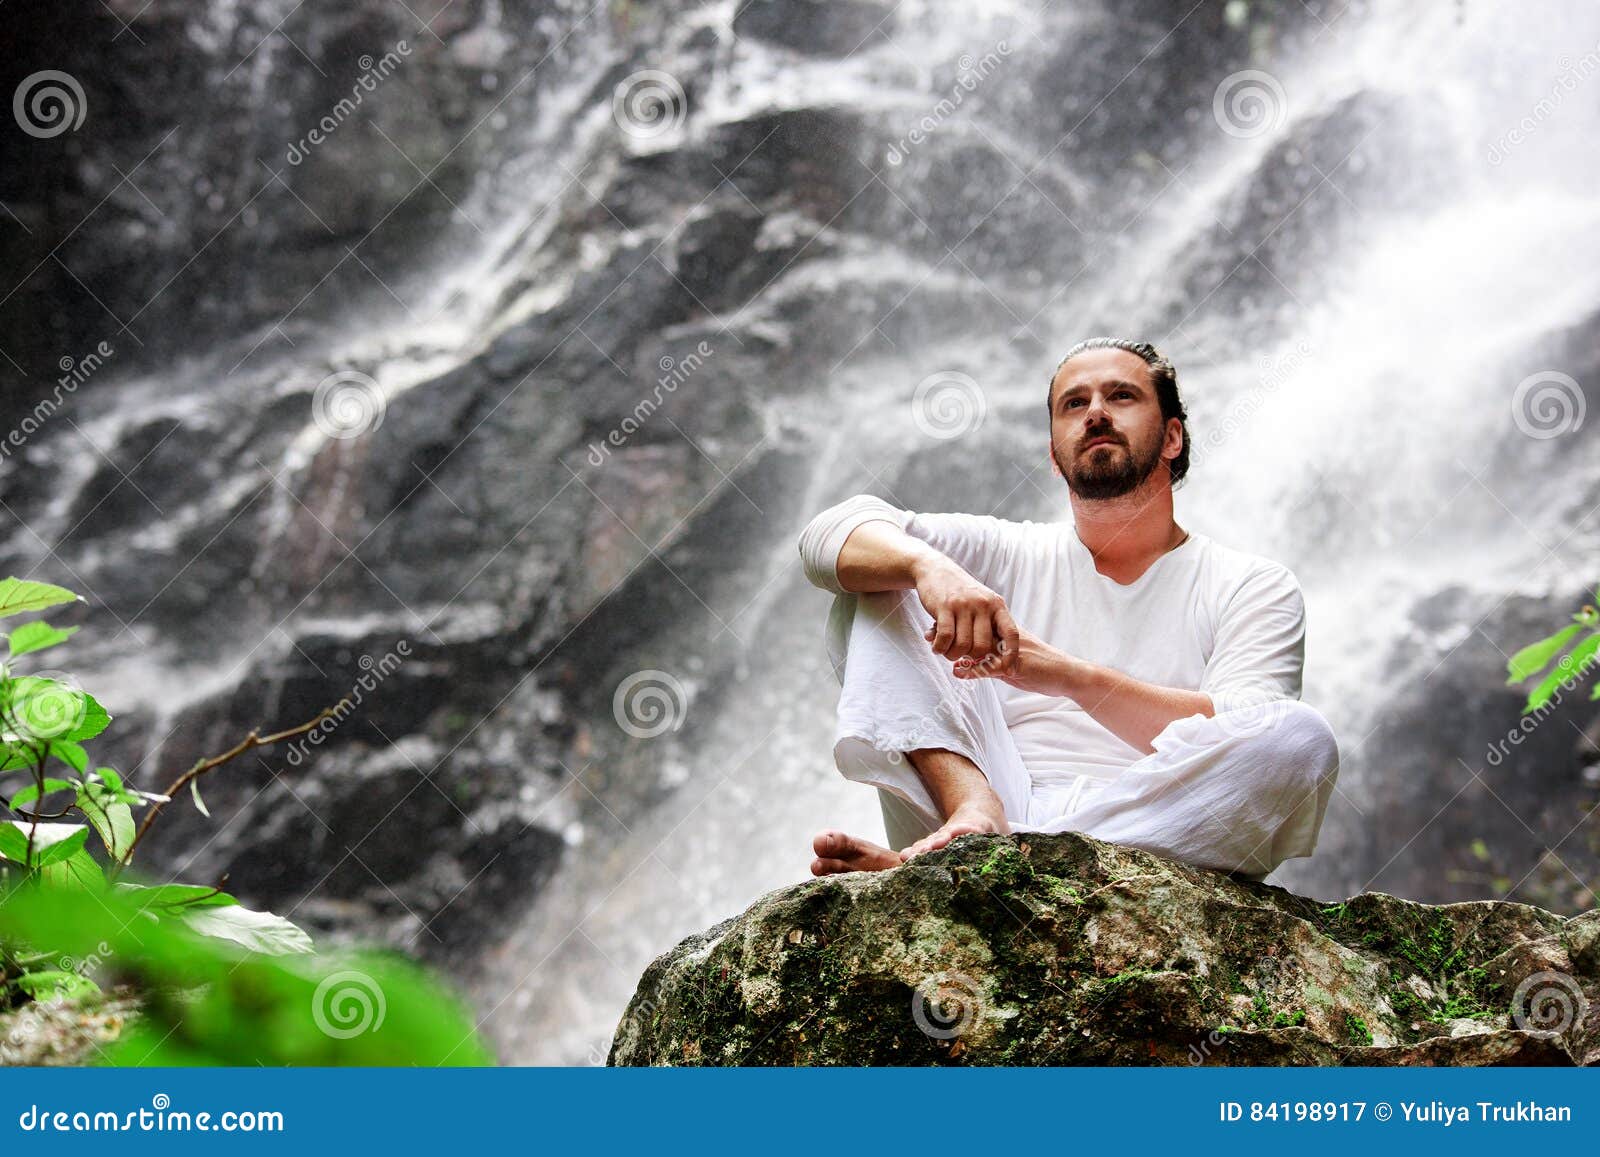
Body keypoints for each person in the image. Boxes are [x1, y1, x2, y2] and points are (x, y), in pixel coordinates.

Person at [796, 337, 1340, 884]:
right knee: (877, 588)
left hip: (1154, 822)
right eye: (1074, 404)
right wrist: (929, 569)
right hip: (990, 804)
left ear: (1173, 436)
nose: (1096, 412)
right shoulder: (1004, 549)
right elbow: (828, 538)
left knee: (1300, 736)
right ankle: (976, 819)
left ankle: (995, 870)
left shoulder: (1252, 585)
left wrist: (1067, 676)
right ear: (1055, 457)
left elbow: (1251, 729)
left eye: (1121, 396)